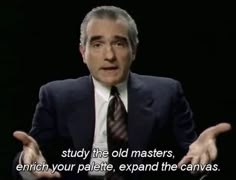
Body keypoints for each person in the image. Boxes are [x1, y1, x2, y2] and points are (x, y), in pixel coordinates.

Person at [12, 5, 232, 180]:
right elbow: (35, 155)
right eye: (97, 45)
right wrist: (26, 163)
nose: (109, 55)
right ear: (83, 52)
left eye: (119, 43)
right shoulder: (55, 95)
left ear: (133, 50)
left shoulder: (168, 93)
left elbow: (192, 159)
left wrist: (206, 162)